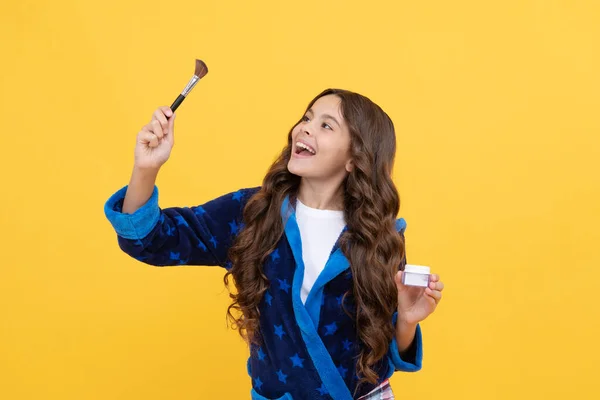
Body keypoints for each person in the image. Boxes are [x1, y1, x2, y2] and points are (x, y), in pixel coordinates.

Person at [104, 88, 444, 399]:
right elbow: (151, 240)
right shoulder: (252, 213)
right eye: (307, 117)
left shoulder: (380, 238)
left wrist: (408, 321)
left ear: (355, 158)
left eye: (326, 126)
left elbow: (386, 349)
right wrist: (145, 169)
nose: (306, 128)